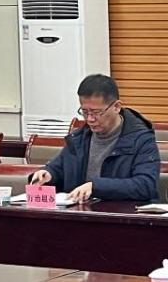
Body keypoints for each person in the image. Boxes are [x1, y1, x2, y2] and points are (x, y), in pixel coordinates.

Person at [30, 74, 159, 202]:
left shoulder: (141, 139)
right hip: (79, 211)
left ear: (116, 107)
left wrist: (96, 187)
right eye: (85, 112)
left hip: (120, 213)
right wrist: (48, 174)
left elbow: (146, 185)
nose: (90, 119)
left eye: (96, 112)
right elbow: (58, 168)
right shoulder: (79, 139)